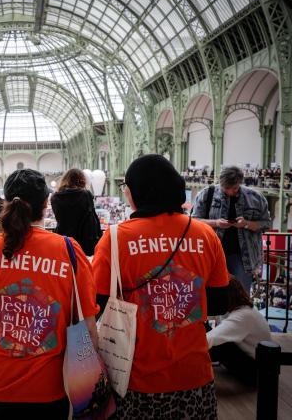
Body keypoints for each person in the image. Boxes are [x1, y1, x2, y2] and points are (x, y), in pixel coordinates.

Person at [92, 154, 229, 419]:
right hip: (195, 376)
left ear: (135, 193)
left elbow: (98, 304)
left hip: (135, 377)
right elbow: (219, 304)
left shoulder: (116, 238)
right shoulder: (205, 235)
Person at [0, 169, 98, 419]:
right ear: (46, 205)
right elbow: (88, 325)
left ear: (6, 203)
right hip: (51, 384)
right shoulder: (69, 250)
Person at [192, 166, 272, 294]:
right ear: (220, 183)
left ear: (240, 183)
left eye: (234, 188)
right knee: (213, 297)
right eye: (226, 189)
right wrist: (216, 223)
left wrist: (246, 224)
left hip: (242, 259)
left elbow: (266, 224)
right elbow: (194, 221)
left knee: (240, 297)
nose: (229, 192)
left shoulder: (255, 198)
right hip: (211, 256)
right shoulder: (206, 194)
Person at [207, 277, 271, 385]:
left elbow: (210, 338)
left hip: (257, 373)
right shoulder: (240, 309)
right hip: (255, 365)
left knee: (218, 343)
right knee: (204, 330)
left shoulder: (243, 316)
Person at [50, 168, 102, 256]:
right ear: (82, 180)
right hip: (83, 241)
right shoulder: (85, 195)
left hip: (63, 240)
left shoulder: (55, 197)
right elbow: (93, 218)